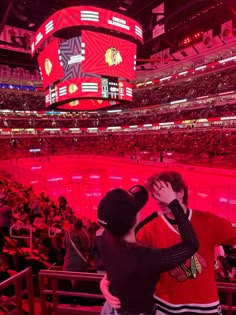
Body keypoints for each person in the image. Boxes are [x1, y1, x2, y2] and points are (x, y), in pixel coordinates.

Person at [100, 171, 236, 315]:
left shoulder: (210, 222)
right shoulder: (148, 230)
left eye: (164, 193)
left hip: (207, 306)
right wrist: (107, 280)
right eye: (155, 195)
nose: (159, 200)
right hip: (165, 307)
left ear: (180, 193)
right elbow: (128, 260)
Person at [98, 183, 199, 315]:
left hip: (111, 309)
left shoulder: (104, 240)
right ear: (135, 220)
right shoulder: (146, 258)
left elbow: (122, 267)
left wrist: (105, 282)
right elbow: (191, 245)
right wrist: (174, 204)